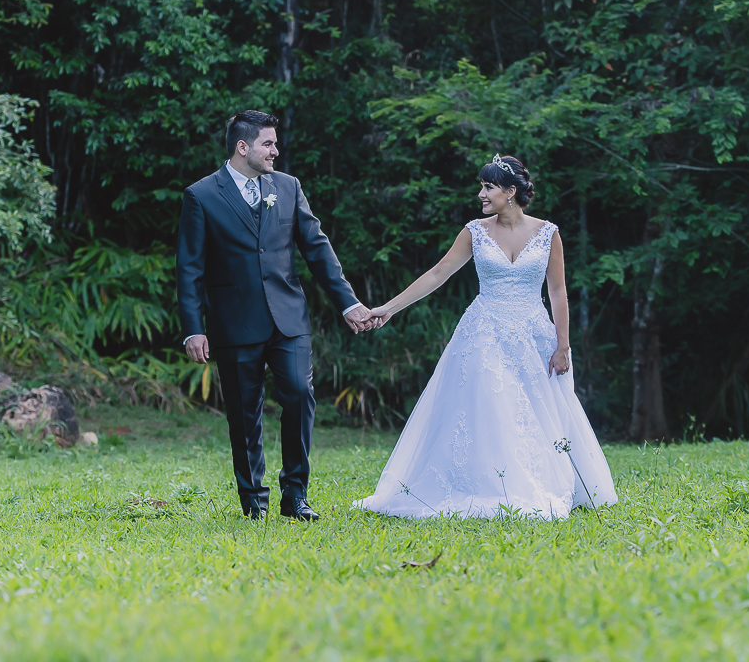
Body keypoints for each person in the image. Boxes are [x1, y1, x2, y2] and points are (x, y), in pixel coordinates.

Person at [354, 155, 617, 519]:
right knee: (493, 407)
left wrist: (563, 345)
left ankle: (540, 483)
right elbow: (438, 273)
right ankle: (491, 485)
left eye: (488, 187)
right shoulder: (474, 232)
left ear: (510, 192)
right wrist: (389, 308)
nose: (481, 194)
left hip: (533, 336)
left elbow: (557, 291)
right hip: (484, 333)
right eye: (482, 187)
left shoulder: (548, 233)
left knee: (537, 412)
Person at [176, 110, 375, 521]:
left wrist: (348, 302)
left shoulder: (288, 186)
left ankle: (295, 495)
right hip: (234, 323)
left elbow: (317, 247)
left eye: (275, 143)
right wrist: (193, 329)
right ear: (242, 147)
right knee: (244, 413)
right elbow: (189, 268)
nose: (275, 151)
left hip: (288, 318)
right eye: (267, 143)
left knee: (300, 395)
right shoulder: (201, 195)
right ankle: (254, 501)